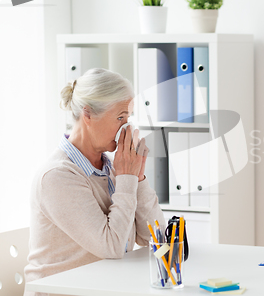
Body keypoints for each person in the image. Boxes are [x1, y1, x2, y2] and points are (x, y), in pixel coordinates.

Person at [24, 68, 165, 296]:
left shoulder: (112, 167)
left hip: (104, 288)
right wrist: (127, 179)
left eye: (128, 118)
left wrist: (137, 178)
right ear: (87, 114)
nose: (126, 128)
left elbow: (156, 238)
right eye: (120, 117)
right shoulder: (57, 177)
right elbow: (111, 247)